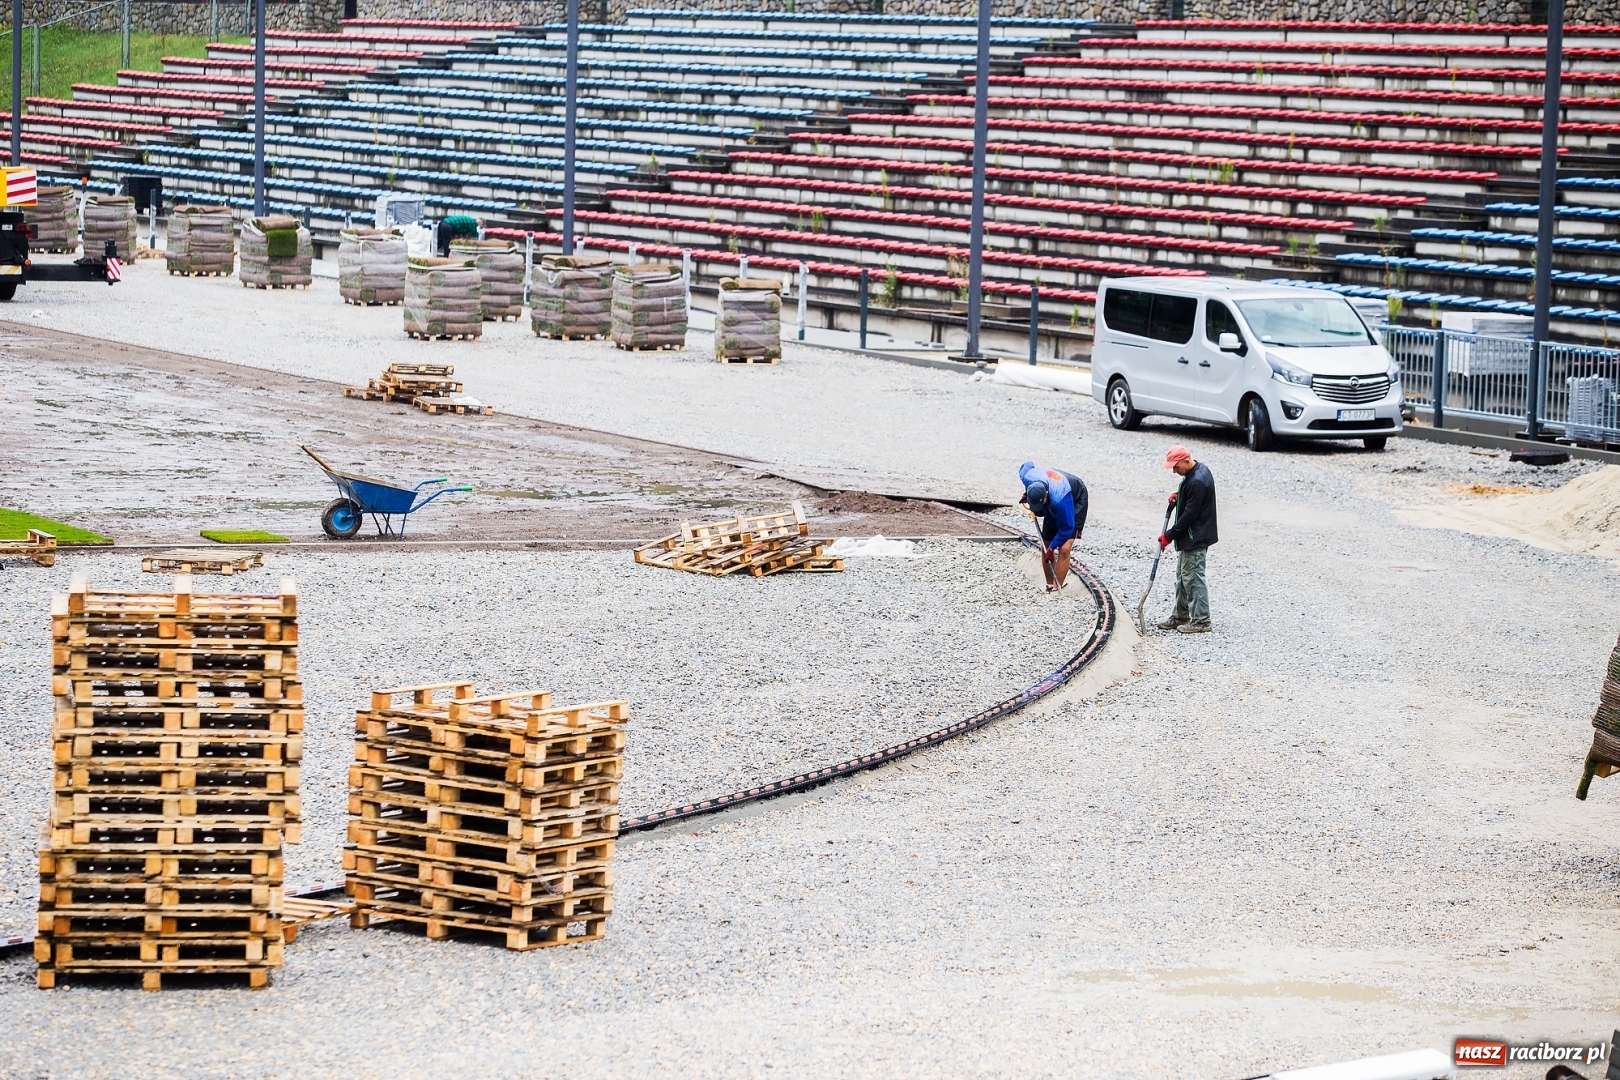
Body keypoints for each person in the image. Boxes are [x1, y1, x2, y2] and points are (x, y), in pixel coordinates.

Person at [1157, 445, 1217, 633]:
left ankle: (1201, 620)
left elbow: (1189, 515)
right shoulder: (1197, 472)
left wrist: (1168, 536)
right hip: (1191, 536)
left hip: (1195, 537)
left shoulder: (1197, 480)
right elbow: (1193, 500)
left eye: (1176, 467)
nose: (1174, 471)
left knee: (1193, 578)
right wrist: (1180, 496)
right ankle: (1180, 615)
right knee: (1183, 577)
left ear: (1186, 460)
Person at [1018, 461, 1089, 592]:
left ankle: (1057, 588)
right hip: (1050, 492)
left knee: (1064, 548)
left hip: (1075, 497)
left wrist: (1053, 547)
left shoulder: (1060, 500)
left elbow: (1067, 528)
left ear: (1046, 494)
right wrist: (1027, 494)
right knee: (1044, 547)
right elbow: (1027, 464)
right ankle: (1049, 585)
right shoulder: (1028, 477)